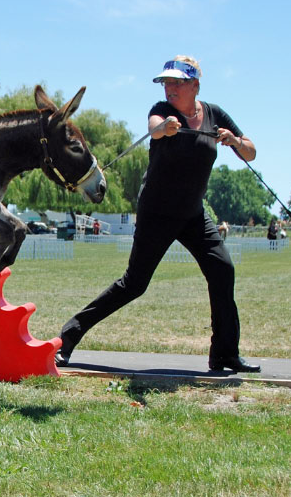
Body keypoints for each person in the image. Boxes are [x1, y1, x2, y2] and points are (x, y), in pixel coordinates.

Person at [55, 55, 260, 373]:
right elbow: (155, 129)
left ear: (195, 85)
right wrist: (165, 128)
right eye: (166, 83)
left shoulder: (215, 114)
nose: (169, 89)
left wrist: (234, 141)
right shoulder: (162, 111)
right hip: (157, 212)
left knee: (223, 271)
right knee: (134, 284)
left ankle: (224, 354)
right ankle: (66, 339)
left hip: (193, 214)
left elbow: (251, 151)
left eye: (177, 83)